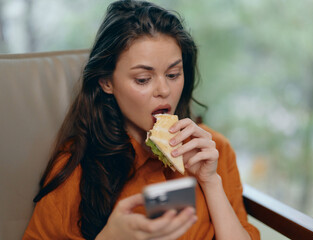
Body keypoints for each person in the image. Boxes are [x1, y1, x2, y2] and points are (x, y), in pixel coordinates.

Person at [23, 0, 260, 239]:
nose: (164, 90)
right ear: (107, 82)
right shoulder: (75, 168)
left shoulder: (213, 150)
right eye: (143, 79)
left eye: (173, 74)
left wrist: (210, 181)